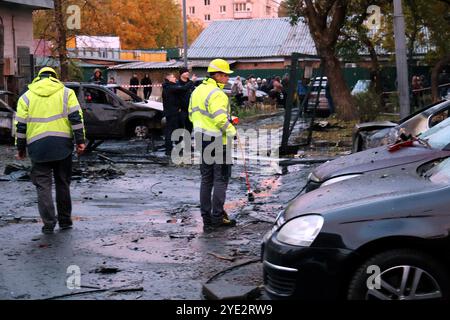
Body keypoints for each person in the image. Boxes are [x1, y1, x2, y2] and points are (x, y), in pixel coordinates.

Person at [15, 67, 86, 234]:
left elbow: (20, 126)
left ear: (38, 78)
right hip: (62, 146)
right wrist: (80, 141)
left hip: (38, 148)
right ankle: (65, 221)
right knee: (63, 183)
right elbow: (76, 119)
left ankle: (48, 224)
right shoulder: (67, 93)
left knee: (43, 187)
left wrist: (20, 148)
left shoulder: (26, 97)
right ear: (55, 77)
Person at [188, 59, 237, 232]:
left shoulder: (197, 91)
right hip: (218, 141)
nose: (226, 78)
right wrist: (232, 131)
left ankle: (207, 219)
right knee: (221, 179)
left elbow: (191, 115)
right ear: (216, 75)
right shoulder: (217, 94)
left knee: (206, 180)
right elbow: (219, 119)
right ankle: (218, 218)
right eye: (224, 75)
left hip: (202, 140)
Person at [162, 73, 195, 156]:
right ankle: (169, 150)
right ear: (168, 79)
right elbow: (183, 88)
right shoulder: (170, 87)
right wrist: (191, 81)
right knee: (170, 132)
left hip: (174, 112)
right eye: (173, 77)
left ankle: (176, 148)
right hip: (172, 113)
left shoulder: (170, 86)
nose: (175, 78)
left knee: (175, 131)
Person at [177, 67, 197, 134]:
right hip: (181, 109)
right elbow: (183, 89)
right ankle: (178, 143)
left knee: (189, 127)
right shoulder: (178, 83)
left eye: (188, 72)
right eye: (185, 72)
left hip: (190, 109)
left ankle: (188, 143)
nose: (187, 73)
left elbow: (194, 93)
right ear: (181, 74)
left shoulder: (190, 83)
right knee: (180, 127)